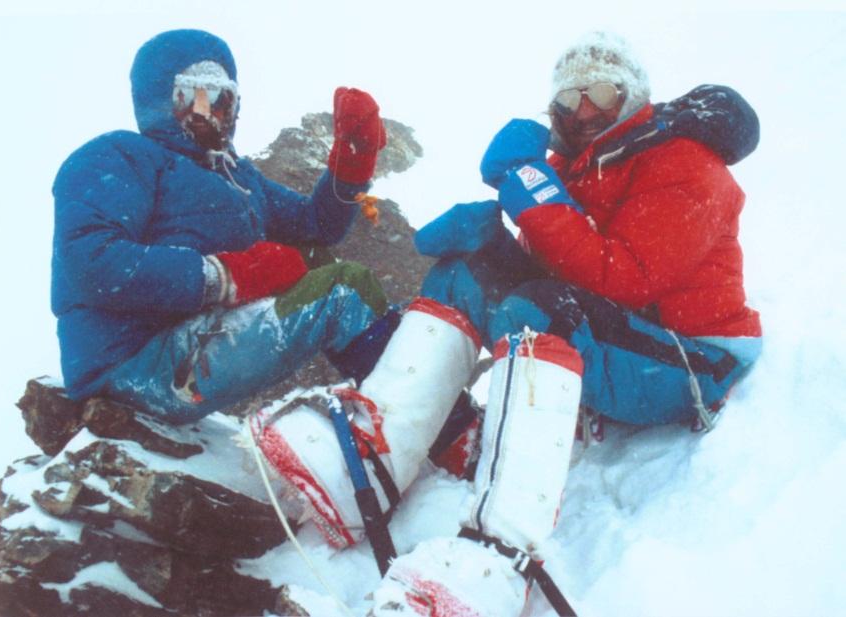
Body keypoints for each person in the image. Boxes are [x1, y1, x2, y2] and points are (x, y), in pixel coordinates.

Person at [252, 31, 762, 615]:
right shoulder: (574, 167)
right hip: (621, 340)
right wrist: (495, 238)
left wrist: (528, 189)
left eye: (603, 90)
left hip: (693, 359)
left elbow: (622, 279)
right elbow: (560, 264)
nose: (586, 108)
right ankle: (373, 461)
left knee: (541, 311)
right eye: (571, 96)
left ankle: (499, 555)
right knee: (467, 273)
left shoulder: (685, 164)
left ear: (633, 96)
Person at [51, 29, 395, 424]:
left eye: (221, 98)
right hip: (132, 361)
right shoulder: (118, 156)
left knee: (318, 260)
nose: (208, 111)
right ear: (159, 100)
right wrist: (225, 276)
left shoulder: (237, 176)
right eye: (191, 95)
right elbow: (92, 263)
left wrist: (352, 162)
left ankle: (406, 403)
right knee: (341, 293)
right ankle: (421, 420)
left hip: (188, 341)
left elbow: (317, 226)